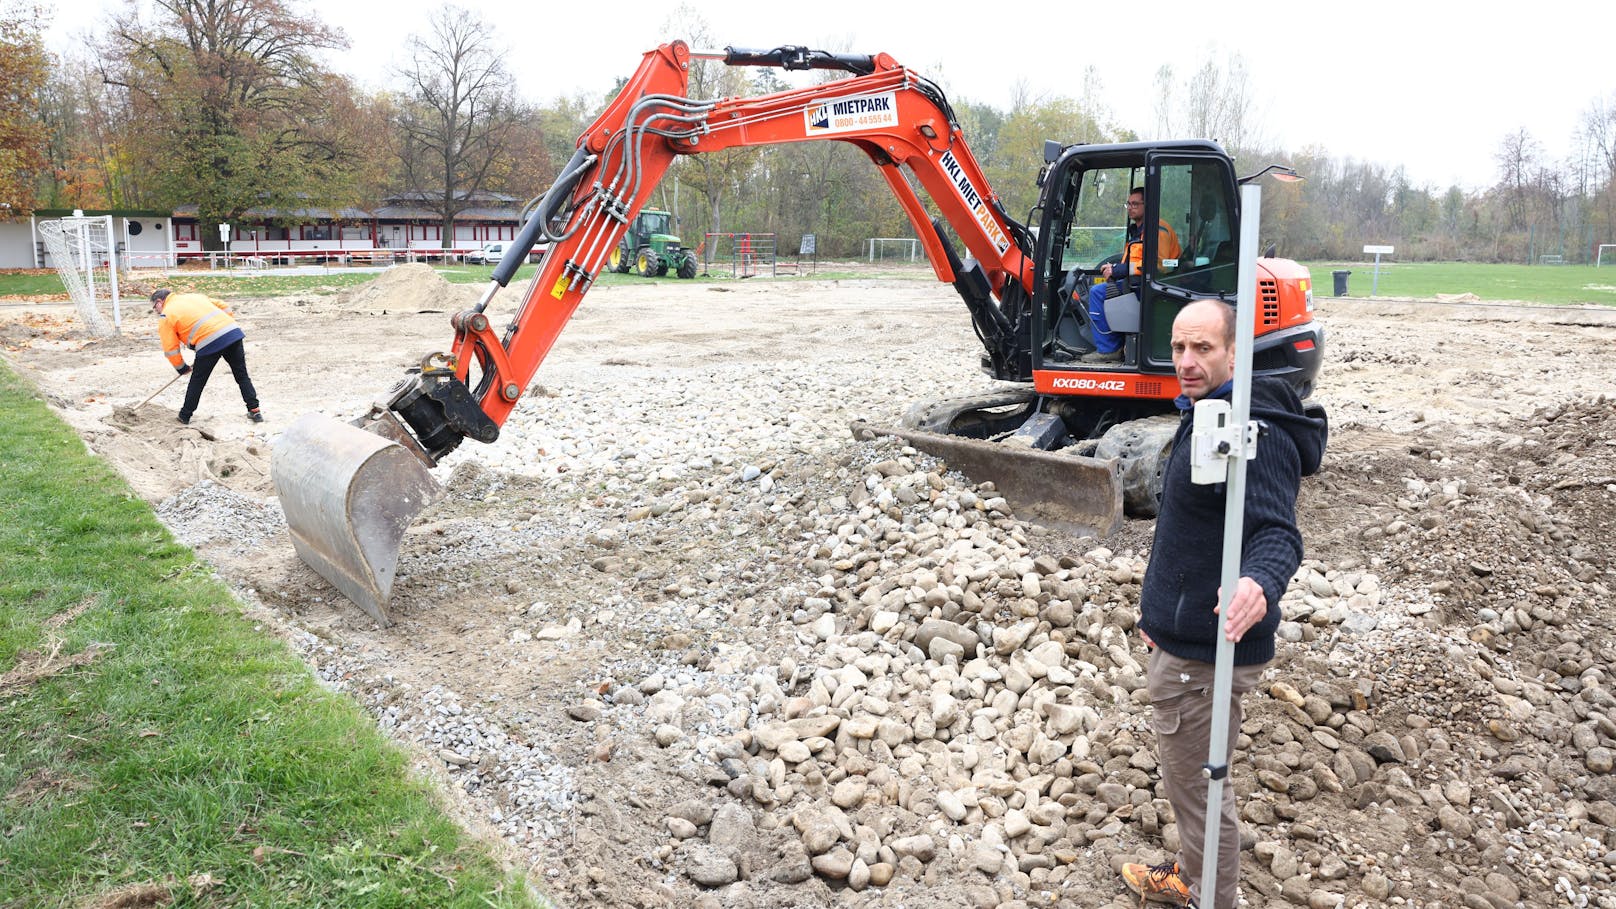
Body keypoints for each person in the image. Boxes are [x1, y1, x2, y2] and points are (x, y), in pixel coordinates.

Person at [1119, 299, 1325, 908]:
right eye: (1180, 347)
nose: (1186, 361)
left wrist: (1259, 582)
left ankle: (1212, 896)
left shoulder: (1252, 428)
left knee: (1202, 790)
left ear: (1236, 352)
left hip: (1205, 652)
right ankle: (1192, 874)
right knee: (1196, 782)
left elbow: (1276, 532)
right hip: (1185, 639)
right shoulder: (1209, 413)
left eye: (1203, 348)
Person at [1081, 188, 1181, 363]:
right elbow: (1135, 260)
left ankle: (1108, 349)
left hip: (1151, 287)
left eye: (1135, 204)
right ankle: (1118, 344)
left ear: (1147, 205)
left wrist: (1118, 270)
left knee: (1096, 293)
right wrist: (1114, 268)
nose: (1130, 208)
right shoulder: (1141, 231)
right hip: (1139, 283)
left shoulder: (1157, 230)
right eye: (1129, 204)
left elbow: (1160, 265)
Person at [151, 288, 263, 425]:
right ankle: (255, 410)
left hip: (208, 343)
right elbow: (224, 307)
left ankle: (185, 415)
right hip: (232, 333)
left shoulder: (166, 315)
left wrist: (181, 368)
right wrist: (225, 327)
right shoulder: (194, 296)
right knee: (241, 375)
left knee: (197, 381)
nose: (156, 311)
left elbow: (170, 348)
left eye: (155, 307)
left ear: (159, 301)